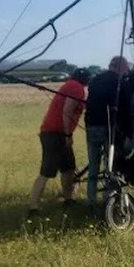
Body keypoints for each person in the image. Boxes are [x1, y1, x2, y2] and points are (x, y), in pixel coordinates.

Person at [29, 67, 91, 213]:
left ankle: (68, 199)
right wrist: (67, 135)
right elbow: (67, 111)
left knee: (68, 169)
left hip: (55, 132)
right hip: (56, 133)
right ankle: (33, 207)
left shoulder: (68, 85)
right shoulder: (77, 88)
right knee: (46, 172)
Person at [84, 56, 131, 209]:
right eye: (125, 67)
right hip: (109, 127)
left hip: (91, 126)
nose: (127, 70)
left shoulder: (96, 80)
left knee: (93, 166)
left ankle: (91, 201)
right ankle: (109, 200)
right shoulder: (118, 82)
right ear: (118, 67)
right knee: (112, 165)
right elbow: (123, 107)